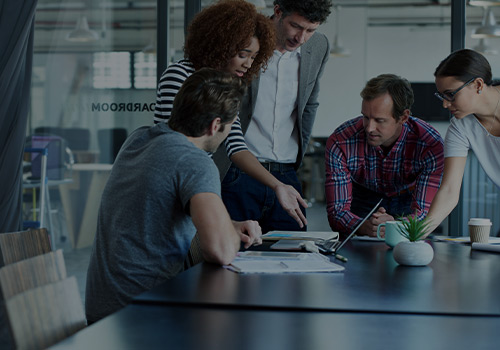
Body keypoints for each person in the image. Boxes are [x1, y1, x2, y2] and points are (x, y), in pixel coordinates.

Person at [85, 69, 262, 324]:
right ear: (215, 126)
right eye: (231, 125)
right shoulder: (195, 161)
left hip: (102, 310)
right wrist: (228, 235)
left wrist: (229, 225)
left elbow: (155, 212)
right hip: (143, 314)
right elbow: (221, 251)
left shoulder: (138, 140)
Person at [154, 0, 308, 229]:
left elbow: (236, 146)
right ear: (221, 45)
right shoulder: (179, 74)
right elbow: (172, 145)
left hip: (199, 186)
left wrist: (278, 186)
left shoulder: (229, 86)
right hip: (176, 188)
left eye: (254, 57)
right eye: (243, 54)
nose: (248, 64)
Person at [217, 0, 333, 233]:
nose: (301, 38)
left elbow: (310, 102)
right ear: (278, 11)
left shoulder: (318, 45)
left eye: (310, 30)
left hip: (287, 171)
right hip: (239, 171)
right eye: (296, 26)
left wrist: (298, 154)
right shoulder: (246, 40)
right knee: (236, 257)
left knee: (294, 256)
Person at [325, 74, 444, 238]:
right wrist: (361, 226)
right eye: (366, 117)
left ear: (403, 117)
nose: (369, 128)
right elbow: (337, 212)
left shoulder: (430, 145)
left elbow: (424, 213)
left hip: (409, 200)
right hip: (361, 199)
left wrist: (396, 226)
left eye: (379, 120)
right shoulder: (341, 141)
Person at [425, 49, 500, 235]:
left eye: (450, 94)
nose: (445, 104)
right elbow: (449, 191)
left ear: (477, 85)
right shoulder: (461, 126)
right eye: (441, 96)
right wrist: (416, 234)